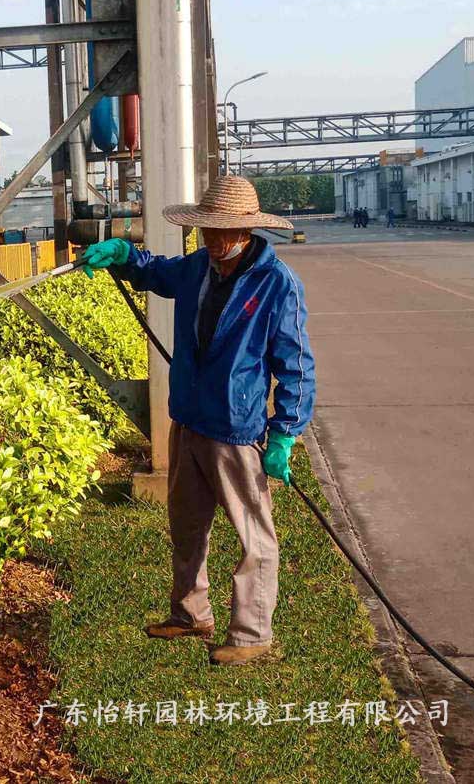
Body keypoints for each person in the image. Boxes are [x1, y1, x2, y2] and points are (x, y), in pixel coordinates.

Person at [80, 175, 316, 666]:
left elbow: (295, 364)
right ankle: (191, 613)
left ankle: (251, 635)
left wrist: (285, 433)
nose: (212, 239)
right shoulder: (198, 268)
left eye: (222, 231)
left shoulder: (276, 284)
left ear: (248, 231)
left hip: (238, 430)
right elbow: (157, 273)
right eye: (206, 229)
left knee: (255, 538)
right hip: (189, 421)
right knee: (187, 527)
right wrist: (124, 256)